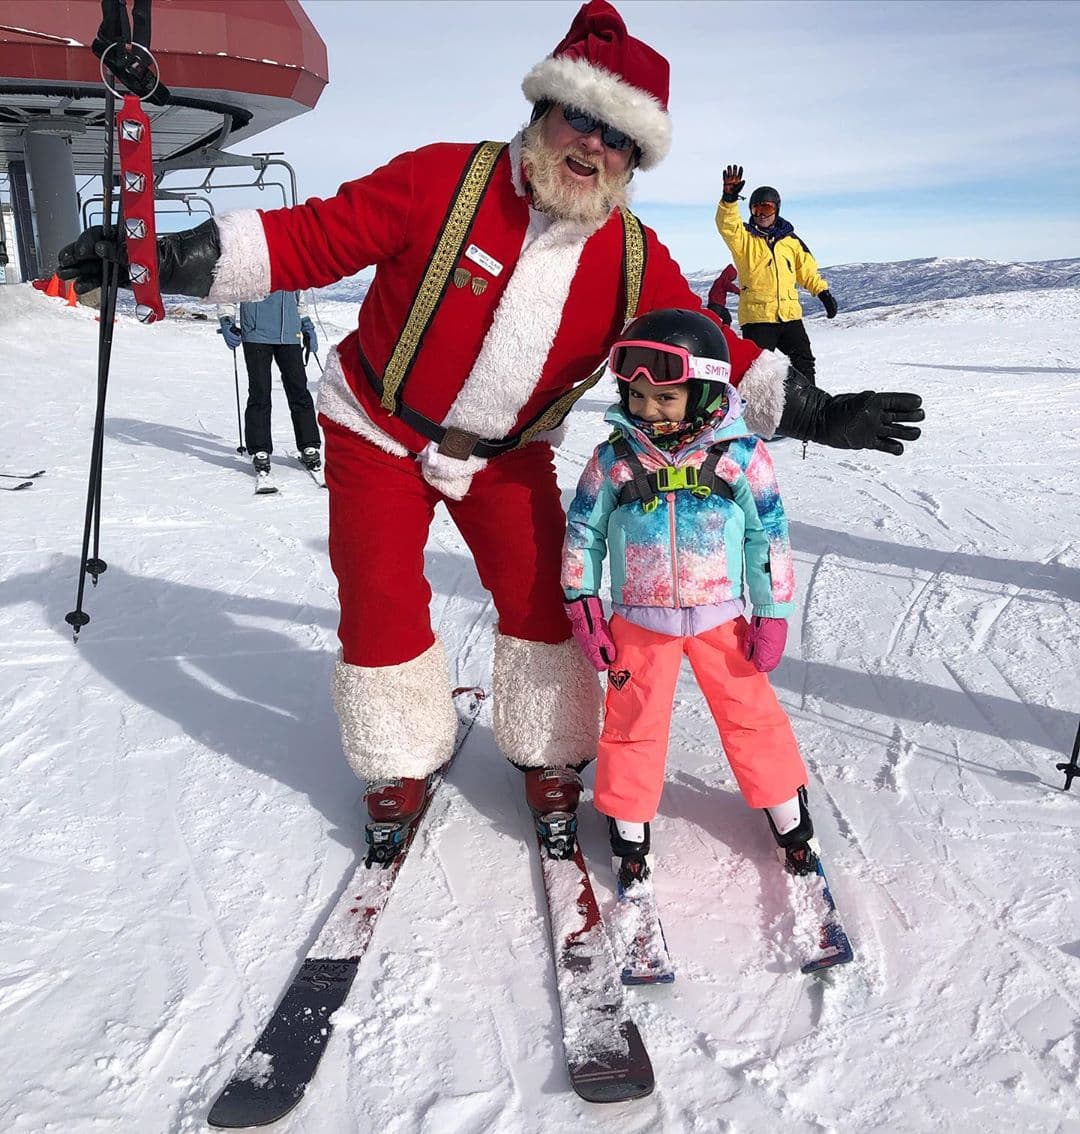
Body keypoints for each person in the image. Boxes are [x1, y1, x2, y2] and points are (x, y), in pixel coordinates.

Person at [57, 0, 922, 866]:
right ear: (543, 112)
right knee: (379, 591)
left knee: (544, 593)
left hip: (508, 457)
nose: (592, 147)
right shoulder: (443, 181)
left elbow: (708, 343)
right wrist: (156, 260)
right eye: (579, 118)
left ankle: (549, 750)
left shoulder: (630, 255)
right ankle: (398, 758)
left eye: (618, 139)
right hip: (377, 428)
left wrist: (817, 412)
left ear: (634, 159)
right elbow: (308, 238)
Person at [561, 308, 818, 885]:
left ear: (703, 392)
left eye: (666, 399)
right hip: (638, 621)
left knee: (749, 714)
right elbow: (583, 533)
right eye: (636, 397)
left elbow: (768, 538)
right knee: (632, 721)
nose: (648, 412)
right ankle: (628, 820)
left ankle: (785, 807)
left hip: (721, 619)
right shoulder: (613, 461)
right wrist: (584, 604)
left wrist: (771, 612)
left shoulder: (741, 458)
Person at [716, 165, 837, 384]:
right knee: (756, 371)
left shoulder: (791, 241)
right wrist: (729, 200)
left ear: (777, 209)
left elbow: (806, 271)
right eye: (756, 210)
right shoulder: (744, 239)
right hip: (758, 318)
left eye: (767, 209)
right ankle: (754, 413)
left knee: (804, 361)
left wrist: (823, 292)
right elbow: (727, 225)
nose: (761, 215)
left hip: (789, 315)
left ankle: (811, 406)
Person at [217, 290, 323, 478]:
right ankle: (260, 450)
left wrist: (306, 323)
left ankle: (309, 445)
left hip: (290, 333)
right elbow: (229, 290)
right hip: (256, 334)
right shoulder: (245, 260)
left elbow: (300, 297)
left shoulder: (294, 261)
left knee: (299, 390)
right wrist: (227, 320)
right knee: (260, 392)